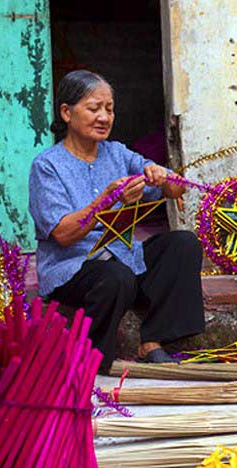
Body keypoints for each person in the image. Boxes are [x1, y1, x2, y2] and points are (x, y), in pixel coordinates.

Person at [29, 70, 205, 373]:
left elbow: (176, 189)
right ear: (66, 113)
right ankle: (94, 360)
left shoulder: (118, 153)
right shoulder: (48, 166)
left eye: (109, 109)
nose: (104, 117)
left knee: (183, 244)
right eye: (94, 108)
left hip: (123, 259)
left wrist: (164, 177)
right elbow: (63, 234)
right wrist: (106, 200)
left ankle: (154, 339)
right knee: (115, 277)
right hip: (73, 267)